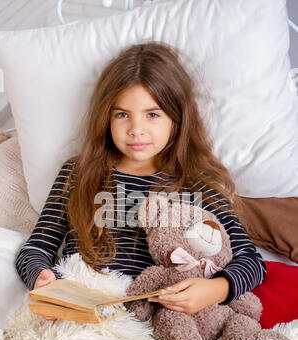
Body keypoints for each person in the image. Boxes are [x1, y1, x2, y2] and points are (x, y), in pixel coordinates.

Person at [15, 42, 266, 318]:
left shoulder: (198, 184)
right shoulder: (79, 174)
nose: (136, 130)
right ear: (106, 118)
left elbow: (252, 261)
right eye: (122, 114)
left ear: (177, 119)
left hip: (160, 321)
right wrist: (42, 278)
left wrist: (214, 289)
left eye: (152, 115)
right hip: (86, 314)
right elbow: (37, 247)